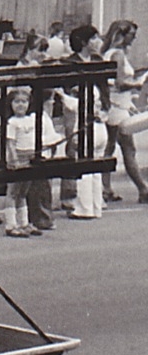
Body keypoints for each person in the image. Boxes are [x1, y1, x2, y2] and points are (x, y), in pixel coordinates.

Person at [4, 84, 62, 237]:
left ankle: (24, 223)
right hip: (19, 157)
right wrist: (13, 159)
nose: (20, 105)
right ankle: (11, 224)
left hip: (31, 156)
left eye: (24, 101)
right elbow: (10, 143)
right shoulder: (12, 122)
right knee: (13, 192)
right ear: (11, 104)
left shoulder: (31, 119)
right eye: (17, 102)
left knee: (24, 192)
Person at [63, 25, 108, 220]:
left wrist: (105, 109)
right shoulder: (70, 63)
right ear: (83, 42)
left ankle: (90, 205)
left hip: (95, 117)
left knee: (91, 162)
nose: (98, 42)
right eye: (94, 38)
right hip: (79, 116)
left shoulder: (98, 61)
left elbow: (104, 88)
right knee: (84, 159)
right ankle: (85, 202)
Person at [101, 20, 147, 203]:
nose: (134, 38)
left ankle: (106, 188)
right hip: (117, 106)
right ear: (122, 34)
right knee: (126, 147)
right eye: (131, 35)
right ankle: (142, 189)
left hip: (118, 104)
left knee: (111, 146)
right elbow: (120, 83)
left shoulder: (110, 53)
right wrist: (139, 83)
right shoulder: (117, 55)